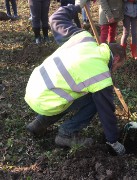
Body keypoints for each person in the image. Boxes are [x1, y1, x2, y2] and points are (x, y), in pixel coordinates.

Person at [25, 2, 126, 155]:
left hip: (34, 88)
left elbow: (55, 18)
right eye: (117, 67)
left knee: (68, 90)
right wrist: (113, 140)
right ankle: (66, 133)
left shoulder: (83, 37)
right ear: (116, 59)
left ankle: (39, 123)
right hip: (46, 100)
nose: (115, 71)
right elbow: (106, 111)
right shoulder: (101, 75)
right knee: (94, 99)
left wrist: (78, 6)